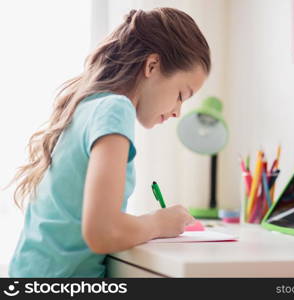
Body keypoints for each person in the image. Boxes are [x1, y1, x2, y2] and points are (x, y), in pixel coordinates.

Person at [7, 7, 210, 277]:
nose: (177, 111)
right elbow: (103, 232)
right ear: (152, 66)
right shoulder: (115, 108)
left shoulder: (87, 105)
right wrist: (160, 223)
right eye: (182, 95)